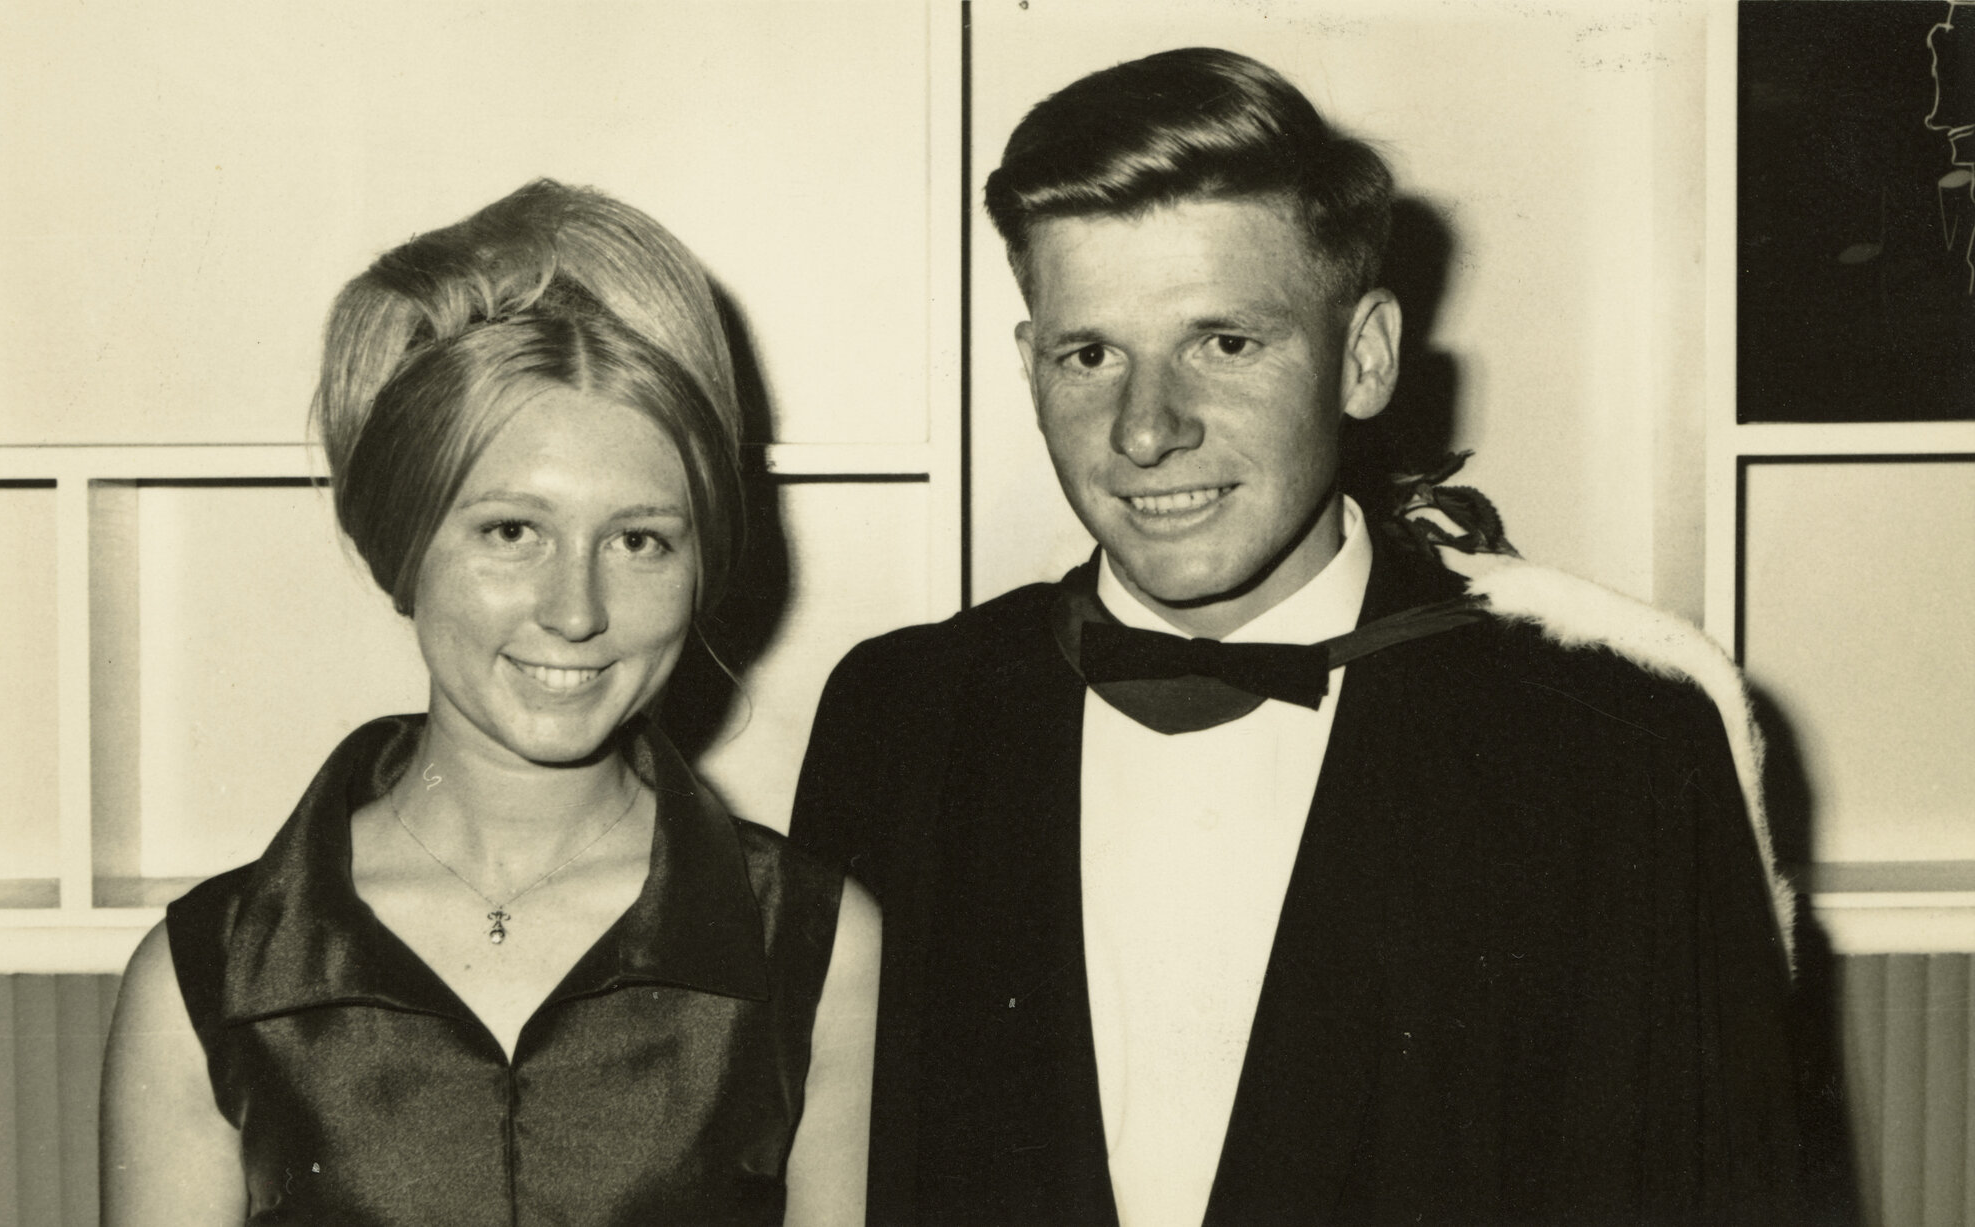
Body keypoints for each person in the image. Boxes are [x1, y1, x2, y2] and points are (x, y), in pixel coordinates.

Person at [789, 48, 1803, 1226]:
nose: (1147, 429)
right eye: (1090, 353)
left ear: (1362, 357)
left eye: (1224, 342)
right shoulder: (898, 714)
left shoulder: (1615, 749)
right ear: (1029, 368)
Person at [101, 180, 880, 1227]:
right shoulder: (204, 974)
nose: (576, 611)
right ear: (406, 541)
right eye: (511, 531)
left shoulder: (818, 947)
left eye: (640, 540)